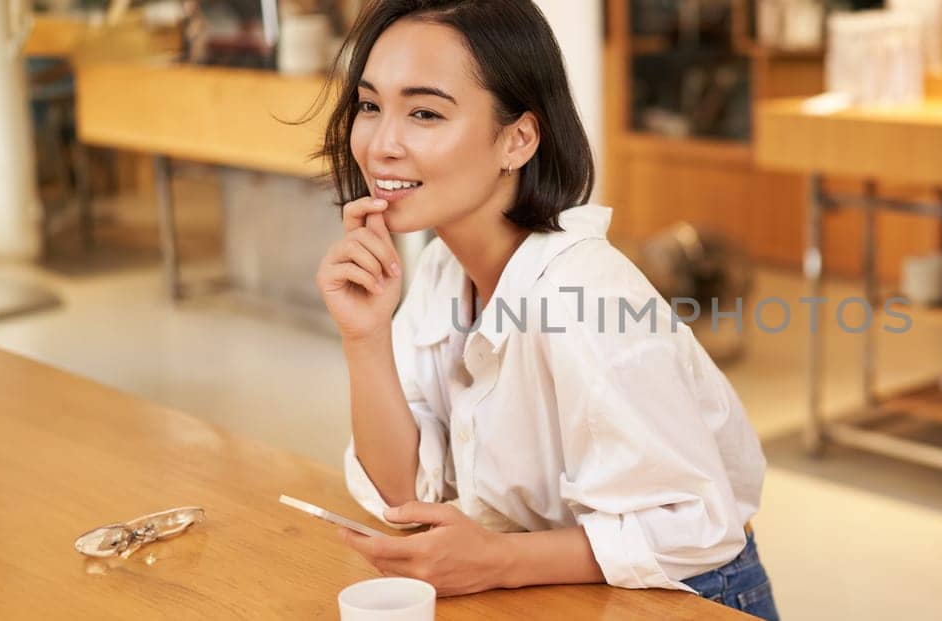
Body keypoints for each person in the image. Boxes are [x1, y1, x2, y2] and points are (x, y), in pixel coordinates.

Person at [311, 1, 776, 618]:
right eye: (371, 106)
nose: (381, 144)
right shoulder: (445, 272)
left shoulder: (583, 295)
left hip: (687, 596)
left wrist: (496, 561)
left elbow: (695, 526)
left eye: (424, 112)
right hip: (554, 587)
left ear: (518, 139)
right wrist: (364, 338)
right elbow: (404, 495)